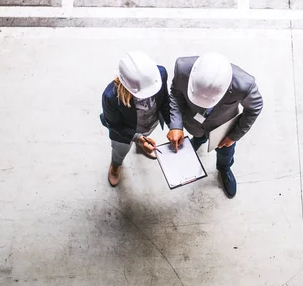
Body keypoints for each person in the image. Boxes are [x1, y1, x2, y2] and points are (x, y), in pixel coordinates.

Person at [166, 53, 263, 198]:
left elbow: (254, 108)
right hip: (193, 122)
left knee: (226, 153)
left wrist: (233, 136)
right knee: (197, 135)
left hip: (222, 128)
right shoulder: (182, 68)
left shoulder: (245, 85)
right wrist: (176, 126)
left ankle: (224, 168)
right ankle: (199, 139)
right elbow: (175, 93)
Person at [100, 52, 171, 187]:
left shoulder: (160, 74)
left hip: (149, 123)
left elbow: (165, 101)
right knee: (119, 151)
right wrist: (138, 138)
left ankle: (142, 143)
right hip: (123, 134)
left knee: (146, 135)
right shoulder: (110, 97)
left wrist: (173, 126)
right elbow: (115, 125)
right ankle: (115, 165)